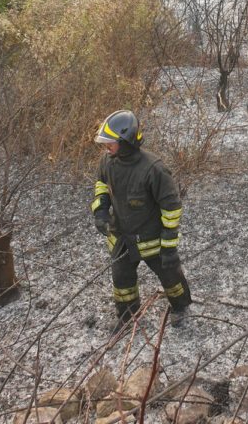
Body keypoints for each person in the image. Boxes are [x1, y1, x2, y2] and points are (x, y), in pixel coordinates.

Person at [91, 110, 192, 334]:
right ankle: (127, 315)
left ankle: (181, 306)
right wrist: (100, 211)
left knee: (169, 275)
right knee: (121, 279)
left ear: (126, 141)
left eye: (111, 143)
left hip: (152, 239)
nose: (106, 147)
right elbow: (101, 185)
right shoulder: (107, 162)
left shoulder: (153, 169)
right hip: (121, 237)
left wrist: (169, 246)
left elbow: (171, 208)